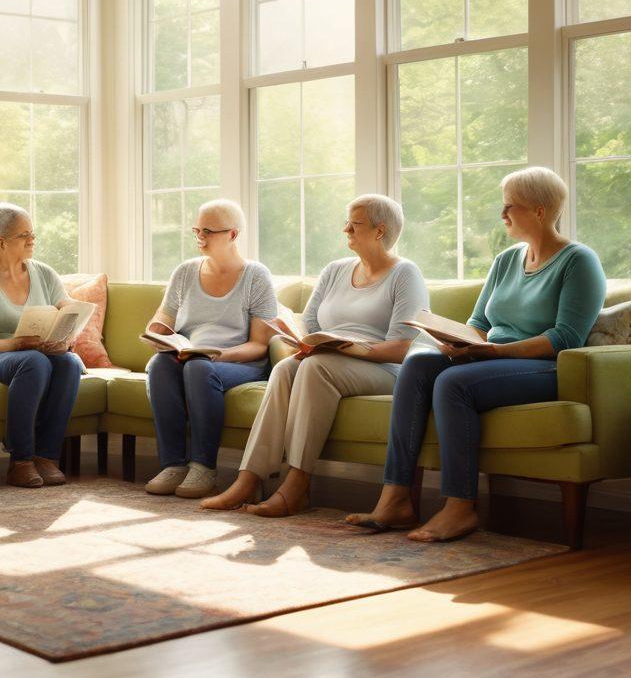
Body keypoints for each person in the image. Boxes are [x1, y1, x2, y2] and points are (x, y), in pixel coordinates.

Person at [346, 167, 607, 542]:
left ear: (539, 210)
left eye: (510, 206)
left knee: (454, 383)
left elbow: (564, 337)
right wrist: (458, 342)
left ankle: (460, 507)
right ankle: (396, 498)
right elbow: (480, 322)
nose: (502, 214)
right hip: (491, 357)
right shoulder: (506, 260)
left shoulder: (578, 261)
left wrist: (495, 350)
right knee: (418, 363)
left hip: (542, 366)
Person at [202, 195, 428, 517]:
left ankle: (298, 484)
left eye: (355, 224)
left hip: (384, 368)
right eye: (347, 222)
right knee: (285, 369)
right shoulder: (335, 270)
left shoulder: (405, 274)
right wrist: (301, 339)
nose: (346, 229)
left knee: (315, 367)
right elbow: (308, 324)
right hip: (331, 359)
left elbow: (400, 348)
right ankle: (248, 479)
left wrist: (347, 348)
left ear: (379, 231)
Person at [143, 199, 278, 499]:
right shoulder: (184, 272)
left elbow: (259, 345)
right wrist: (158, 334)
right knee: (160, 365)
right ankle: (173, 464)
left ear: (232, 234)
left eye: (208, 231)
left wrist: (216, 355)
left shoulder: (256, 276)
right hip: (192, 358)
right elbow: (161, 321)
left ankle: (204, 467)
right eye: (197, 230)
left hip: (238, 362)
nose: (200, 237)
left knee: (199, 367)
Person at [0, 203, 83, 489]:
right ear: (1, 242)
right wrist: (17, 344)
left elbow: (68, 309)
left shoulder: (45, 273)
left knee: (69, 363)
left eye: (32, 234)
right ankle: (21, 460)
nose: (32, 240)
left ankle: (46, 457)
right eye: (23, 235)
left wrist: (66, 334)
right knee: (33, 361)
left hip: (36, 354)